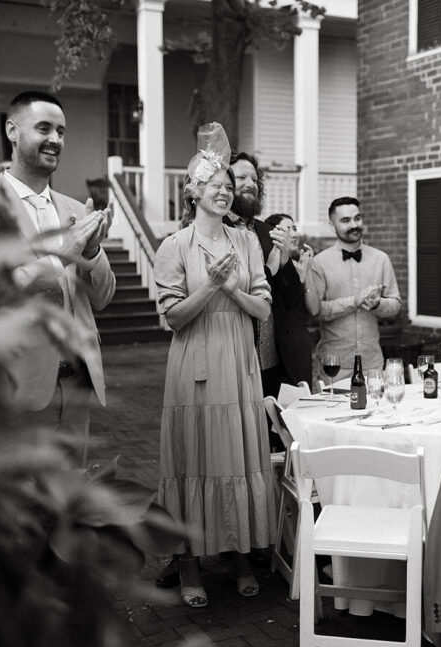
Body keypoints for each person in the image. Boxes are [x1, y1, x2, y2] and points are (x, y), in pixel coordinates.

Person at [153, 123, 276, 608]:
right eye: (214, 185)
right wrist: (209, 287)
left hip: (240, 360)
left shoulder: (246, 242)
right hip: (195, 361)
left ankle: (241, 555)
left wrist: (232, 289)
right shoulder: (174, 246)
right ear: (193, 191)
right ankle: (189, 563)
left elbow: (262, 309)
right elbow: (174, 318)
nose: (224, 192)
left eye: (228, 186)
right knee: (194, 459)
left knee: (238, 458)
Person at [0, 91, 116, 465]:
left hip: (76, 383)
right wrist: (63, 252)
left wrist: (92, 254)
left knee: (71, 490)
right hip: (17, 384)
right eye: (44, 128)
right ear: (12, 131)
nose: (55, 139)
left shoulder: (74, 208)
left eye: (61, 132)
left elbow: (103, 297)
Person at [226, 152, 307, 395]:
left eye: (254, 179)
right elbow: (236, 288)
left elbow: (292, 299)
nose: (250, 184)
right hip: (235, 359)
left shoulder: (268, 232)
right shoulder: (217, 230)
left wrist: (285, 262)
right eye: (242, 178)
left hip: (272, 361)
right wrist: (270, 268)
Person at [308, 196, 401, 382]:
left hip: (372, 364)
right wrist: (353, 302)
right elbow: (315, 311)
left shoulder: (381, 259)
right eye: (345, 220)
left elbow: (395, 304)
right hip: (334, 365)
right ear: (332, 225)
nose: (354, 225)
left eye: (357, 218)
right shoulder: (319, 263)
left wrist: (378, 305)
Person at [265, 212, 315, 387]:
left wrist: (306, 271)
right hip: (276, 348)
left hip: (299, 343)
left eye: (295, 228)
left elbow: (314, 309)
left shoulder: (299, 265)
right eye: (288, 229)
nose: (294, 234)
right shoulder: (267, 268)